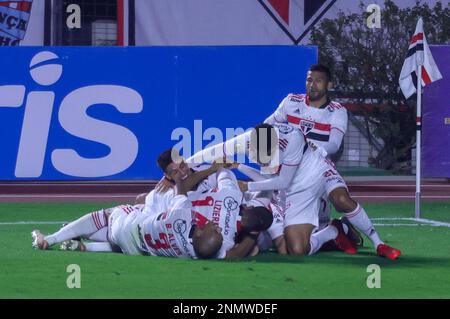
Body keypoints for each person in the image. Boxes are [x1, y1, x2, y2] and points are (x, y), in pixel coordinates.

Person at [187, 123, 401, 260]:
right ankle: (335, 230)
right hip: (296, 188)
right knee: (297, 250)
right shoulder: (251, 140)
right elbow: (215, 151)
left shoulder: (293, 140)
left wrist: (247, 186)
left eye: (265, 155)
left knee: (342, 199)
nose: (262, 159)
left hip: (317, 170)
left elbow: (280, 182)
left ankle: (379, 243)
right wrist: (183, 168)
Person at [264, 63, 362, 247]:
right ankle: (334, 232)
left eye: (318, 81)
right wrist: (266, 157)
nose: (312, 84)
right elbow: (266, 126)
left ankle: (338, 229)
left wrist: (304, 150)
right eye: (309, 80)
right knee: (278, 236)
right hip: (287, 172)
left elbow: (334, 144)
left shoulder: (337, 111)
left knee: (304, 237)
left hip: (316, 172)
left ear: (329, 85)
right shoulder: (291, 101)